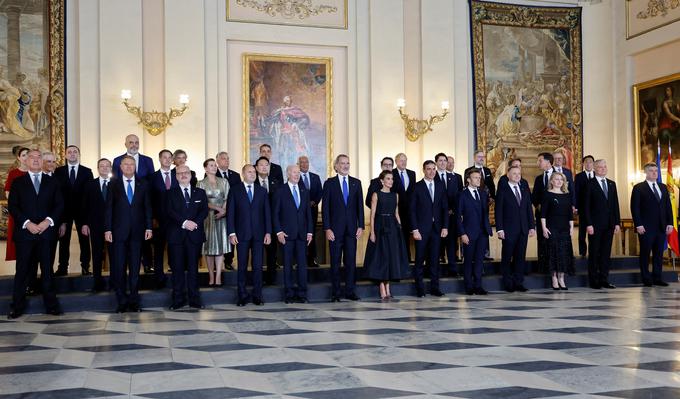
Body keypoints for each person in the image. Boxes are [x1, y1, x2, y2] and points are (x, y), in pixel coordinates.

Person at [7, 150, 63, 318]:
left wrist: (47, 222)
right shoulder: (17, 182)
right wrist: (27, 223)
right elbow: (13, 207)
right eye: (33, 157)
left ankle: (51, 306)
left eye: (39, 157)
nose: (36, 160)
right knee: (22, 271)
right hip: (25, 234)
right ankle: (17, 307)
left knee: (47, 271)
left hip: (46, 234)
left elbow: (59, 205)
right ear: (26, 161)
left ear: (43, 161)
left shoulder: (53, 182)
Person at [104, 156, 153, 313]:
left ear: (135, 167)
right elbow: (109, 208)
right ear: (120, 167)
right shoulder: (113, 184)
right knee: (119, 268)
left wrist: (149, 227)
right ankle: (121, 302)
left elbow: (147, 207)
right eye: (126, 164)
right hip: (118, 233)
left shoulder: (143, 184)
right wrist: (108, 229)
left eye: (132, 164)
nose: (129, 167)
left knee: (134, 269)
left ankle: (134, 301)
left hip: (138, 233)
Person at [322, 154, 365, 302]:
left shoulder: (356, 183)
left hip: (352, 229)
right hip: (335, 230)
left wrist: (361, 226)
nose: (345, 166)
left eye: (347, 163)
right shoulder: (329, 183)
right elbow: (326, 207)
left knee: (350, 262)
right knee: (335, 262)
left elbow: (360, 206)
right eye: (342, 163)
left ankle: (350, 291)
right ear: (336, 166)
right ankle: (335, 293)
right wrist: (327, 228)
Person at [228, 164, 272, 306]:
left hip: (259, 235)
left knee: (258, 266)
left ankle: (257, 295)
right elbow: (231, 213)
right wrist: (231, 232)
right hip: (241, 234)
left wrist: (268, 232)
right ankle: (242, 295)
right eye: (249, 172)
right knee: (242, 266)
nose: (253, 174)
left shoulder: (262, 191)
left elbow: (267, 214)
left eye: (254, 172)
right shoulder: (235, 190)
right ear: (243, 174)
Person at [166, 165, 209, 310]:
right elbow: (169, 211)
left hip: (194, 236)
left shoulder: (200, 192)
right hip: (176, 236)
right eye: (180, 173)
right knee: (177, 270)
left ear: (190, 174)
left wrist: (194, 223)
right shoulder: (170, 193)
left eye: (186, 172)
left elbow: (204, 211)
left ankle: (194, 300)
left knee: (193, 270)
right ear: (176, 176)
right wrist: (184, 223)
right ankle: (178, 300)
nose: (183, 175)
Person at [364, 170, 409, 301]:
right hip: (380, 226)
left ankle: (388, 287)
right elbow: (372, 216)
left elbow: (396, 213)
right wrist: (372, 232)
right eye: (388, 179)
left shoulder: (395, 195)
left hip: (393, 228)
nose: (391, 181)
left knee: (391, 257)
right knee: (382, 257)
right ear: (382, 181)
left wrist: (400, 229)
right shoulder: (376, 194)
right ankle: (382, 287)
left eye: (392, 179)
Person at [273, 165, 313, 303]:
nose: (297, 175)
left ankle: (302, 294)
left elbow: (308, 213)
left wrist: (310, 232)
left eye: (298, 173)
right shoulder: (280, 191)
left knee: (302, 266)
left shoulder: (304, 190)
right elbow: (275, 214)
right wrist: (278, 231)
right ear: (288, 174)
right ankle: (289, 294)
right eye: (294, 172)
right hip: (286, 235)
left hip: (302, 235)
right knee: (288, 266)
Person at [630, 163, 673, 287]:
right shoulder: (639, 188)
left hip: (661, 227)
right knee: (645, 253)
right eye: (651, 171)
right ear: (646, 172)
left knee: (659, 254)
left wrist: (670, 223)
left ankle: (657, 277)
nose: (655, 173)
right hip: (646, 227)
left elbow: (667, 207)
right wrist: (638, 224)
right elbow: (635, 208)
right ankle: (646, 278)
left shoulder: (663, 187)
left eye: (656, 171)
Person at [54, 145, 93, 276]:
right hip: (64, 212)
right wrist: (61, 218)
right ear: (65, 155)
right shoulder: (58, 172)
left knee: (84, 240)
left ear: (78, 154)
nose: (72, 154)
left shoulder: (87, 172)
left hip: (82, 212)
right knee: (64, 240)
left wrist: (87, 218)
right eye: (69, 152)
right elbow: (57, 194)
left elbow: (89, 195)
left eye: (75, 152)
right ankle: (62, 267)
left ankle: (85, 266)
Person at [411, 160, 449, 297]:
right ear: (424, 170)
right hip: (421, 229)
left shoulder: (440, 185)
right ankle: (419, 289)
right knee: (420, 259)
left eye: (434, 169)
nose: (432, 171)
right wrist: (414, 229)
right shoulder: (417, 187)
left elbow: (445, 208)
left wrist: (445, 226)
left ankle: (435, 287)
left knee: (435, 260)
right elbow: (412, 210)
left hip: (437, 229)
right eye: (429, 169)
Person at [495, 165, 535, 292]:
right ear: (508, 174)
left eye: (519, 173)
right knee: (507, 257)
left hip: (523, 229)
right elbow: (498, 211)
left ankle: (519, 282)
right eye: (514, 173)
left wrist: (532, 226)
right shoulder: (503, 189)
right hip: (508, 230)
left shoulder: (524, 188)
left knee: (520, 257)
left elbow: (529, 209)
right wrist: (500, 229)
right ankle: (508, 283)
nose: (517, 176)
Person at [583, 159, 620, 289]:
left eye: (605, 166)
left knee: (605, 253)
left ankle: (604, 279)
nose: (603, 169)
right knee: (594, 253)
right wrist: (588, 224)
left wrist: (617, 223)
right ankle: (594, 281)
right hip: (595, 225)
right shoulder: (589, 184)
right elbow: (586, 207)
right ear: (595, 168)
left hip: (609, 225)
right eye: (600, 167)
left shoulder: (611, 184)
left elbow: (615, 205)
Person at [458, 169, 492, 295]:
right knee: (468, 260)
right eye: (475, 177)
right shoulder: (462, 195)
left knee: (479, 260)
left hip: (482, 233)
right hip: (468, 233)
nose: (478, 179)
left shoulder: (483, 194)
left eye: (479, 177)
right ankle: (468, 286)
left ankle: (478, 285)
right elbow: (458, 217)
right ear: (468, 180)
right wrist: (462, 233)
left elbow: (485, 214)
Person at [197, 158, 230, 286]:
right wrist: (217, 208)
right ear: (205, 168)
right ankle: (211, 276)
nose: (214, 167)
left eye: (215, 165)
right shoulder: (201, 183)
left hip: (222, 217)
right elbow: (202, 201)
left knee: (220, 247)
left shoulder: (224, 181)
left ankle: (218, 277)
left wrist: (224, 211)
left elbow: (227, 197)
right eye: (211, 165)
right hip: (207, 217)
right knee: (209, 248)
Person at [81, 158, 113, 292]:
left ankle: (114, 282)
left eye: (107, 166)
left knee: (115, 255)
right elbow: (84, 206)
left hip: (113, 226)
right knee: (96, 254)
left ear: (110, 168)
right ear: (98, 168)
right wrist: (84, 224)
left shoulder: (117, 184)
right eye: (101, 166)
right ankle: (97, 283)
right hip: (95, 225)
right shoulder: (90, 185)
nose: (104, 168)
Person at [540, 172, 574, 290]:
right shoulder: (547, 194)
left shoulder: (567, 195)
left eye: (561, 179)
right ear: (552, 181)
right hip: (552, 227)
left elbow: (570, 214)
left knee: (564, 253)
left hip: (564, 228)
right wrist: (544, 228)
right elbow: (543, 214)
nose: (559, 181)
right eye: (556, 179)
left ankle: (561, 278)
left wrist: (571, 227)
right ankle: (554, 278)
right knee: (554, 253)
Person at [148, 150, 177, 288]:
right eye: (164, 157)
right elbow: (149, 200)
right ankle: (159, 279)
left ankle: (175, 279)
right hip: (158, 221)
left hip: (175, 221)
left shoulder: (178, 175)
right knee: (158, 250)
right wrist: (152, 218)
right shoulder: (152, 177)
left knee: (174, 249)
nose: (167, 160)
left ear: (172, 160)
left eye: (169, 157)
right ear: (159, 159)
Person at [254, 156, 282, 285]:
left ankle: (271, 279)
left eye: (267, 165)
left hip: (272, 223)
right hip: (256, 223)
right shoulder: (252, 183)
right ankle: (257, 279)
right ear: (256, 167)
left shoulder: (276, 183)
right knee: (257, 253)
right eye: (261, 165)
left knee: (272, 252)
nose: (264, 167)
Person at [465, 150, 495, 261]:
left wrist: (492, 197)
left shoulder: (487, 170)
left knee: (484, 226)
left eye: (483, 157)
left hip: (484, 203)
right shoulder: (468, 170)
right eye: (479, 157)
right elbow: (466, 186)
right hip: (472, 204)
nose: (481, 158)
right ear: (474, 158)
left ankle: (485, 252)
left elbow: (491, 186)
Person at [434, 152, 460, 275]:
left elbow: (458, 197)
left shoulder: (454, 177)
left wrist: (453, 210)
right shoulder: (432, 177)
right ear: (436, 163)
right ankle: (436, 270)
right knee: (437, 243)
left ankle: (453, 269)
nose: (443, 163)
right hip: (436, 217)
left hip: (451, 216)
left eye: (445, 160)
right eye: (440, 161)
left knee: (451, 243)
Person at [216, 151, 241, 270]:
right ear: (217, 161)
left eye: (227, 158)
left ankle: (228, 261)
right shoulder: (212, 174)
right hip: (218, 212)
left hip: (234, 212)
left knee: (232, 236)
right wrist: (221, 209)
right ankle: (217, 262)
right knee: (218, 237)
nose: (226, 160)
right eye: (223, 158)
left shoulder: (235, 175)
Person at [4, 146, 29, 261]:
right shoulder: (13, 173)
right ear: (18, 158)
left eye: (28, 154)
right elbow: (8, 194)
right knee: (18, 244)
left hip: (32, 212)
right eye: (23, 155)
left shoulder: (35, 172)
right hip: (18, 212)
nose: (26, 157)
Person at [298, 155, 323, 268]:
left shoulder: (315, 177)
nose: (304, 164)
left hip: (312, 211)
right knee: (301, 235)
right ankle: (300, 260)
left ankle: (311, 259)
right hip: (299, 212)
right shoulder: (295, 177)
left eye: (306, 162)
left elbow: (320, 192)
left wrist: (314, 202)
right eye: (302, 162)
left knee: (311, 234)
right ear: (298, 164)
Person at [531, 152, 555, 270]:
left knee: (554, 241)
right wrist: (538, 205)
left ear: (548, 162)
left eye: (540, 160)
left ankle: (554, 267)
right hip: (541, 215)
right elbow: (534, 197)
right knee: (541, 240)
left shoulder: (560, 175)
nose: (538, 163)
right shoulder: (539, 179)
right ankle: (543, 267)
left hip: (556, 215)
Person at [392, 153, 416, 263]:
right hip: (395, 210)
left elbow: (413, 192)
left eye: (405, 160)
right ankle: (398, 259)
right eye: (401, 160)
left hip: (409, 211)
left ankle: (407, 257)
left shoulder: (412, 173)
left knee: (407, 234)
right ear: (396, 161)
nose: (403, 162)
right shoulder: (391, 173)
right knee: (397, 235)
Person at [574, 155, 595, 257]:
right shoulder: (579, 176)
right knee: (582, 232)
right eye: (586, 162)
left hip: (595, 210)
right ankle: (582, 252)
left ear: (593, 164)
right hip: (582, 208)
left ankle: (593, 252)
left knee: (594, 232)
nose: (588, 164)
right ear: (583, 164)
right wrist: (576, 206)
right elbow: (576, 192)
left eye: (590, 162)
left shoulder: (597, 175)